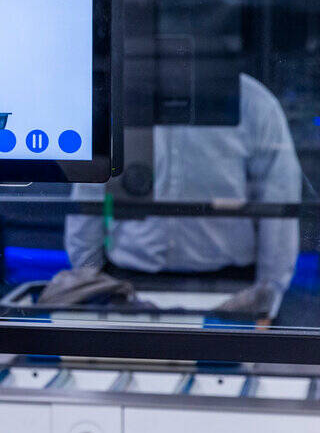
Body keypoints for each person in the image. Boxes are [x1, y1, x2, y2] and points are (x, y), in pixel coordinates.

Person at [66, 74, 302, 319]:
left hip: (231, 290)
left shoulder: (253, 102)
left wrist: (266, 298)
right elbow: (90, 191)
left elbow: (279, 202)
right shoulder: (118, 99)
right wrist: (91, 285)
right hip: (127, 286)